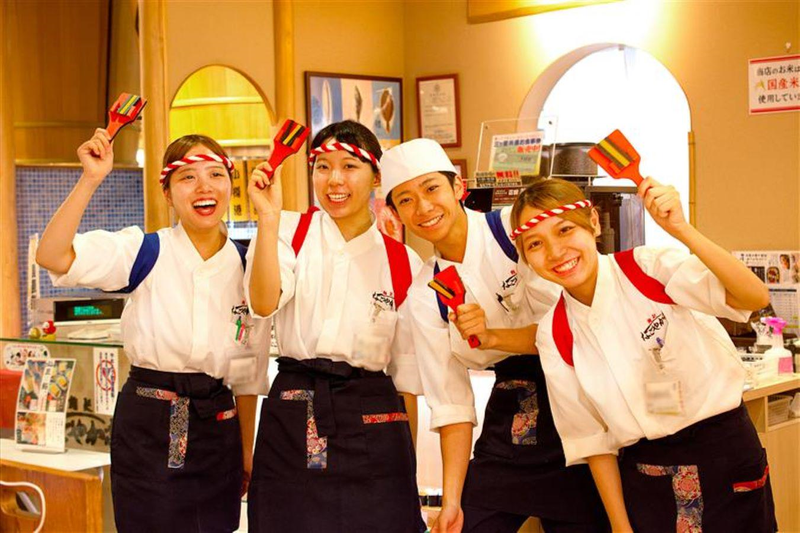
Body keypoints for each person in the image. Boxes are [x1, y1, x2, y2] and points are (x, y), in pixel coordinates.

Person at [485, 176, 776, 532]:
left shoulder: (647, 268)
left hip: (725, 459)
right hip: (647, 480)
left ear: (593, 222)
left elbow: (753, 297)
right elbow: (594, 443)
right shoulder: (554, 333)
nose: (556, 252)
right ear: (527, 258)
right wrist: (621, 527)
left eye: (564, 230)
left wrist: (681, 229)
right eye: (535, 244)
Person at [36, 129, 269, 532]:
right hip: (149, 423)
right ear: (167, 193)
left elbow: (248, 375)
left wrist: (246, 451)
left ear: (230, 185)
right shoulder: (143, 251)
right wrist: (90, 178)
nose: (204, 187)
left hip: (218, 426)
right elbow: (52, 255)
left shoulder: (252, 266)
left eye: (215, 175)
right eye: (188, 177)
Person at [382, 139, 609, 533]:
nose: (423, 207)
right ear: (396, 213)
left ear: (458, 187)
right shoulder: (424, 295)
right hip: (510, 420)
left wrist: (492, 337)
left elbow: (573, 328)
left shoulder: (513, 231)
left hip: (579, 404)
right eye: (405, 200)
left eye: (432, 188)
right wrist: (452, 500)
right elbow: (452, 404)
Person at [245, 120, 426, 532]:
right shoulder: (287, 231)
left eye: (349, 166)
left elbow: (406, 378)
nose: (334, 180)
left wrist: (407, 469)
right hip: (294, 412)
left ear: (376, 177)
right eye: (323, 167)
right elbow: (263, 302)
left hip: (374, 420)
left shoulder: (402, 261)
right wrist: (268, 217)